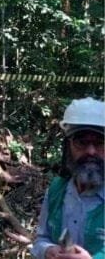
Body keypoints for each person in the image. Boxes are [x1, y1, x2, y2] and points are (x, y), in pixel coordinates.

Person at [32, 98, 104, 259]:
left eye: (100, 143)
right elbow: (41, 239)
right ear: (68, 146)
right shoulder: (57, 189)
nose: (91, 151)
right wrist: (48, 250)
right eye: (81, 142)